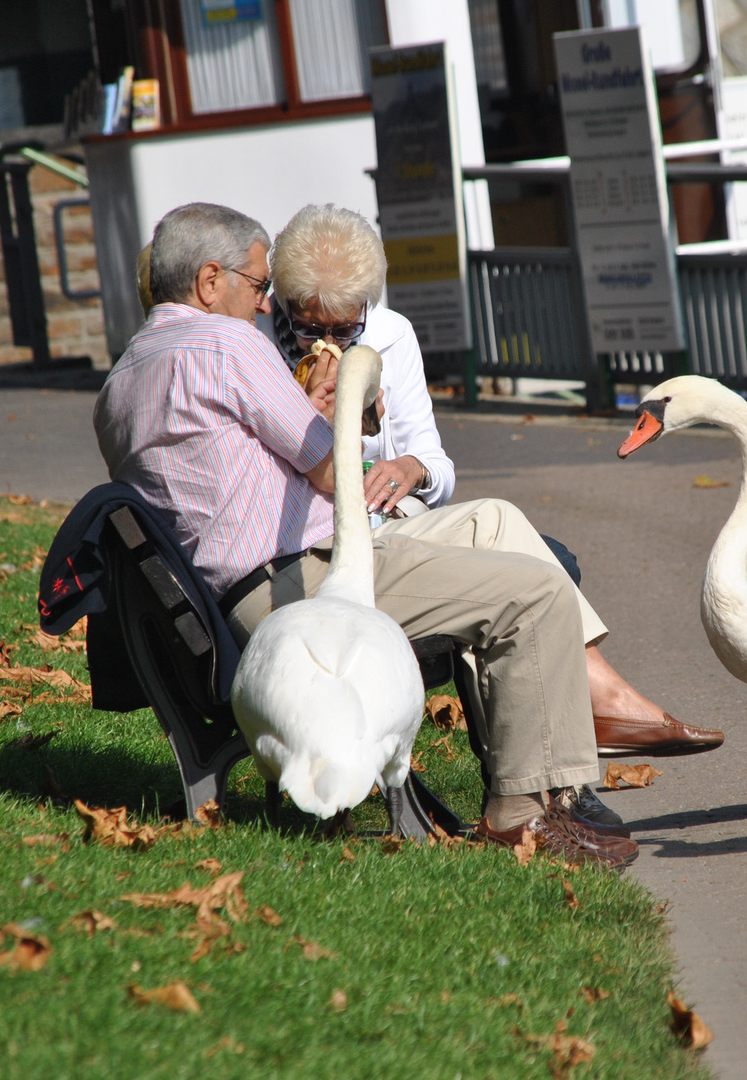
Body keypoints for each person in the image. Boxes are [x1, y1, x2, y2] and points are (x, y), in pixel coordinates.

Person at [95, 202, 638, 866]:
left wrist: (321, 417)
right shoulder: (225, 342)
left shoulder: (122, 378)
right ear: (210, 281)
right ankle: (523, 812)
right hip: (307, 587)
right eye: (259, 286)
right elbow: (332, 472)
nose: (266, 307)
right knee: (537, 591)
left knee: (498, 527)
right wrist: (328, 404)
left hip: (236, 597)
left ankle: (582, 737)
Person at [267, 204, 724, 764]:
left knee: (536, 552)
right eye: (312, 326)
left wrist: (414, 468)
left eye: (347, 327)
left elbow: (436, 461)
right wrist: (307, 412)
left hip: (399, 521)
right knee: (533, 571)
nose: (331, 340)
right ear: (287, 306)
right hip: (334, 548)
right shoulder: (260, 350)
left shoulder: (391, 335)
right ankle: (569, 747)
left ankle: (579, 736)